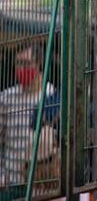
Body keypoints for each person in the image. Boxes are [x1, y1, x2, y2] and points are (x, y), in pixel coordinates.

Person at [0, 44, 56, 200]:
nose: (20, 68)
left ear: (38, 63)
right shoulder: (6, 98)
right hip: (10, 184)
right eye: (18, 63)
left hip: (39, 184)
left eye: (25, 63)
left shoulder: (51, 96)